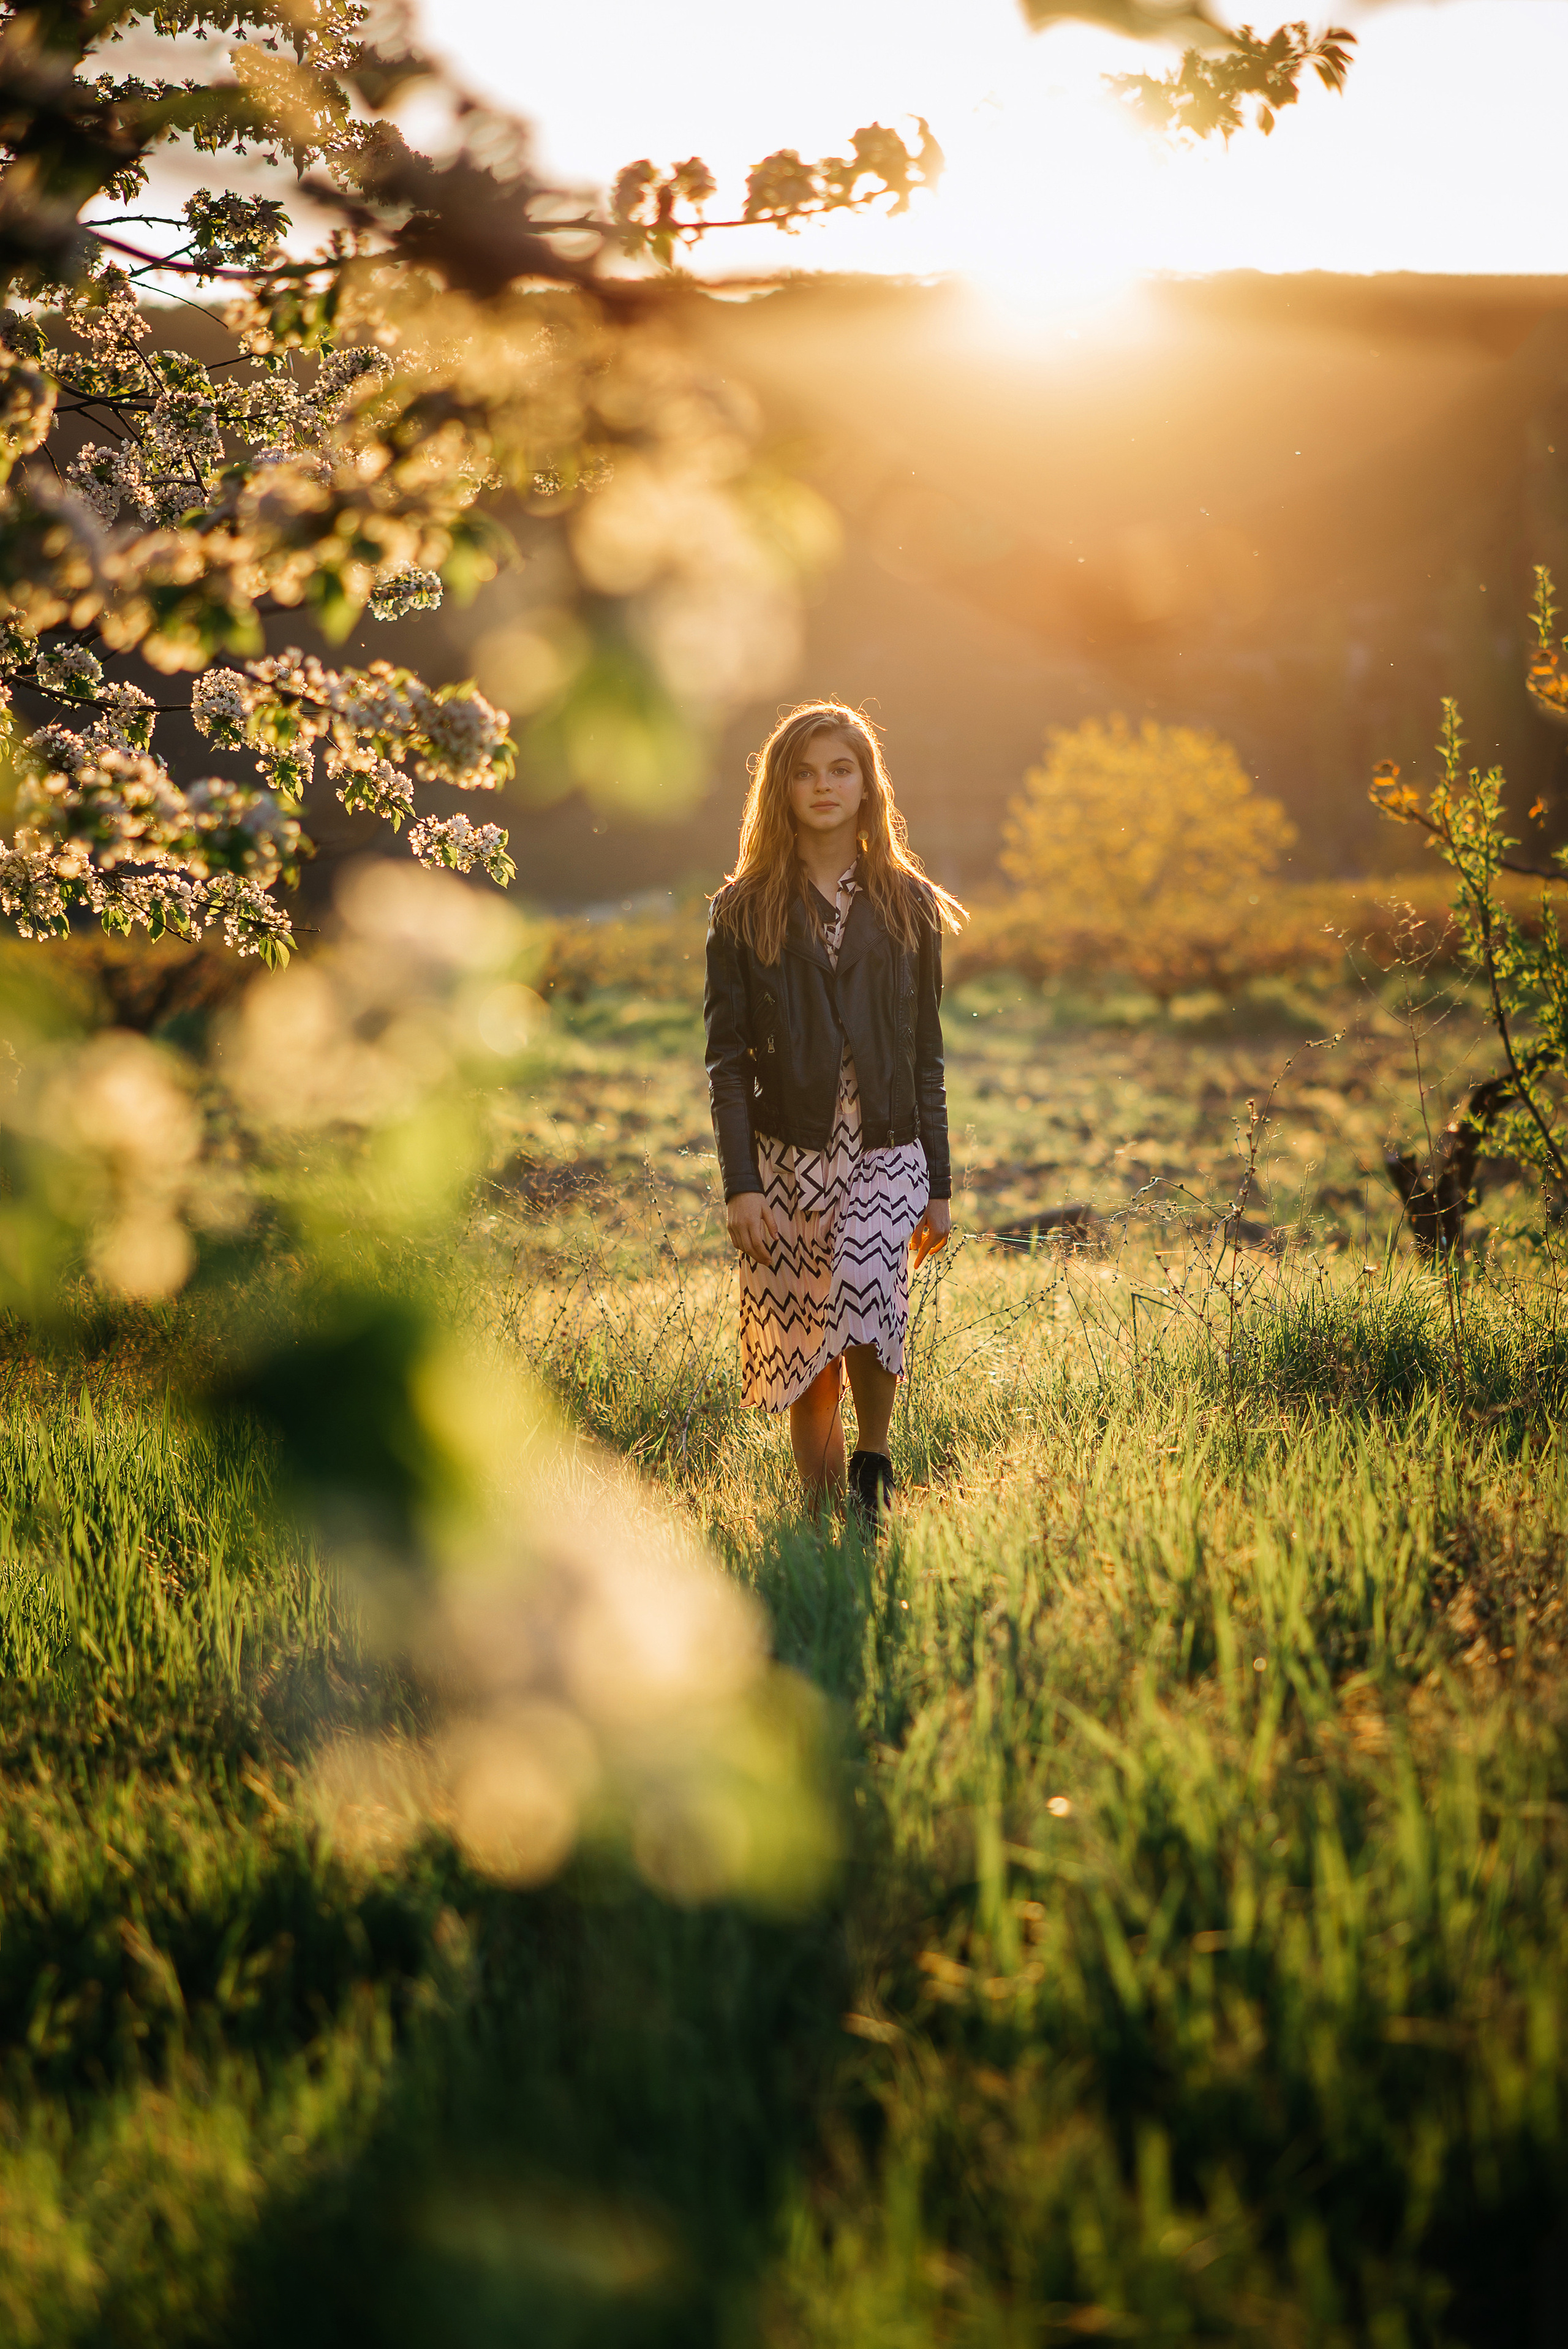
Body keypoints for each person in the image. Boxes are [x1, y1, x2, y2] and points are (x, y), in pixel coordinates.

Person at [703, 700, 966, 1522]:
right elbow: (726, 1062)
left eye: (841, 769)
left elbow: (927, 1055)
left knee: (868, 1297)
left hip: (887, 1146)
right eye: (805, 772)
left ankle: (873, 1464)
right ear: (781, 789)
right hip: (785, 1155)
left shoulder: (909, 903)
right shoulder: (742, 909)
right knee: (806, 1342)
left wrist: (940, 1184)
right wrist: (742, 1185)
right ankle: (824, 1516)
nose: (824, 785)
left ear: (866, 785)